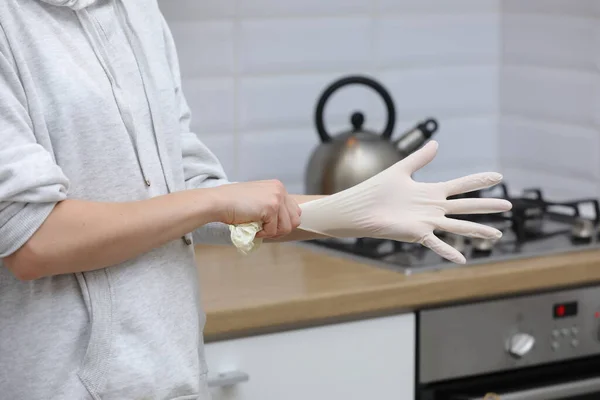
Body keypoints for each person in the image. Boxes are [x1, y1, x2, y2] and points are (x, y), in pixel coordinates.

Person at [0, 1, 511, 399]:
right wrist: (215, 201)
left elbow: (190, 194)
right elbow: (33, 239)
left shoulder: (138, 11)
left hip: (171, 376)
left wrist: (352, 210)